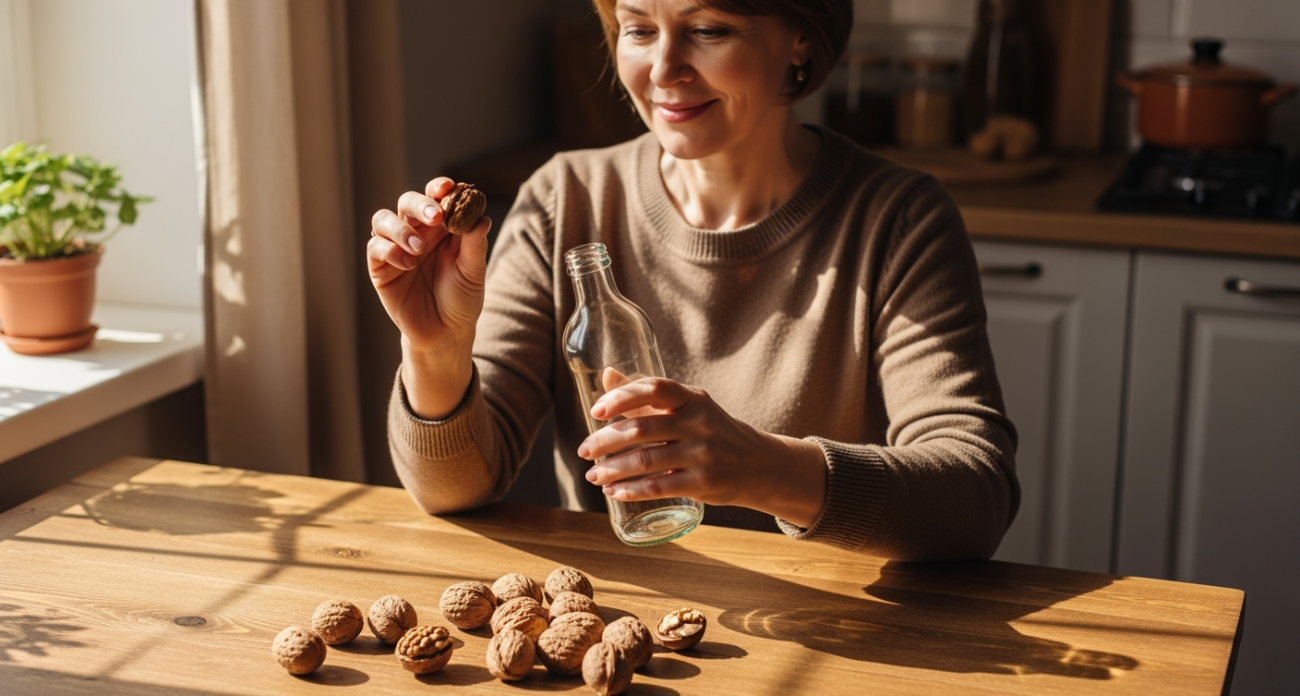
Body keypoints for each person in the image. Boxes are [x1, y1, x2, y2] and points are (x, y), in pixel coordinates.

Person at [366, 0, 1019, 561]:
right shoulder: (564, 200)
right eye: (638, 27)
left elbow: (975, 494)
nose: (662, 69)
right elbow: (455, 489)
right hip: (623, 636)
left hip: (835, 632)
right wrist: (436, 349)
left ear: (799, 34)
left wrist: (764, 469)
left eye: (707, 29)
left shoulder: (899, 219)